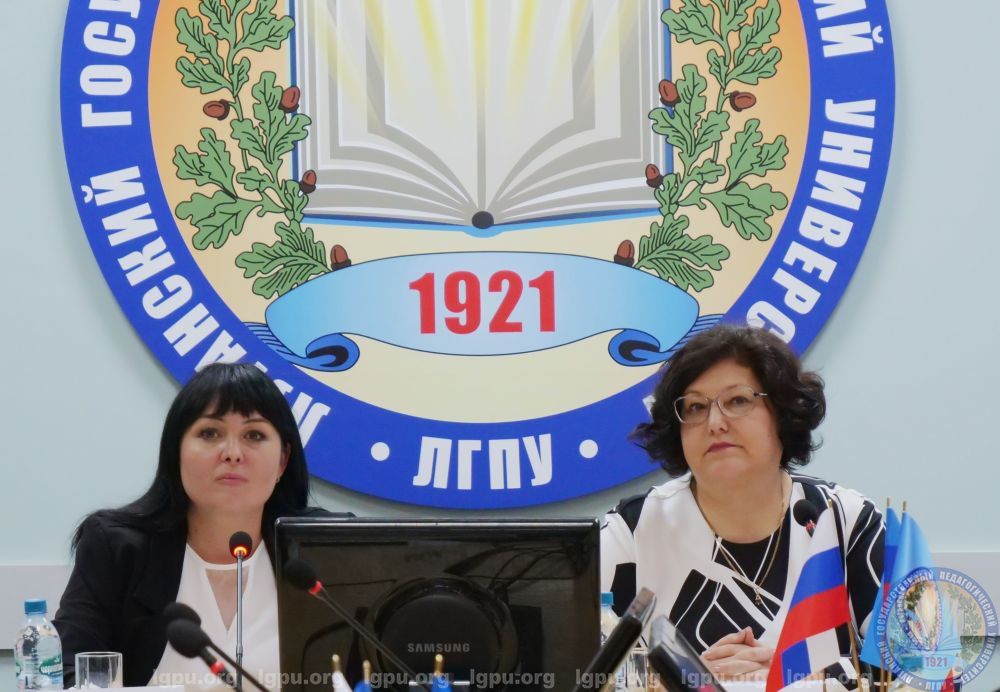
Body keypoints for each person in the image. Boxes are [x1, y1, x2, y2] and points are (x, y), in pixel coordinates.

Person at [601, 324, 884, 681]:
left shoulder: (846, 521)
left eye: (737, 401)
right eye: (695, 407)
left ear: (783, 412)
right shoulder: (632, 531)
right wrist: (681, 680)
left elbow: (923, 670)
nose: (715, 423)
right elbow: (572, 671)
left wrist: (800, 674)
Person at [53, 363, 341, 688]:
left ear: (282, 461)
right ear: (176, 452)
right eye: (210, 433)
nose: (232, 453)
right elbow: (67, 675)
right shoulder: (117, 548)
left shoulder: (325, 551)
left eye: (254, 435)